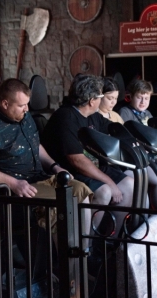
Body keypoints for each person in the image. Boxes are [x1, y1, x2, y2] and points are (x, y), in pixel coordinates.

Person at [42, 75, 135, 233]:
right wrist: (110, 182)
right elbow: (77, 160)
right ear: (92, 101)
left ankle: (112, 241)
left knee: (129, 184)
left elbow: (115, 129)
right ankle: (89, 243)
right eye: (101, 96)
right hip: (71, 172)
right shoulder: (65, 117)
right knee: (104, 191)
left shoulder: (92, 116)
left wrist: (138, 136)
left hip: (92, 167)